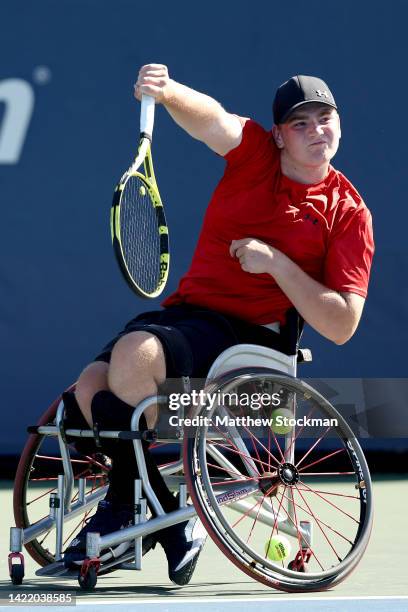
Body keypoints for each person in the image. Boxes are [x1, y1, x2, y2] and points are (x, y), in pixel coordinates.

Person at [63, 66, 374, 584]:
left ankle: (128, 513)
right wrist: (166, 93)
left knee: (133, 358)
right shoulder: (255, 153)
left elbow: (342, 324)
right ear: (278, 135)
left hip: (253, 338)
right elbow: (215, 122)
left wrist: (276, 262)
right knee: (88, 391)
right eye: (301, 124)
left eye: (326, 118)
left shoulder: (349, 214)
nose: (317, 130)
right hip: (190, 316)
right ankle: (164, 523)